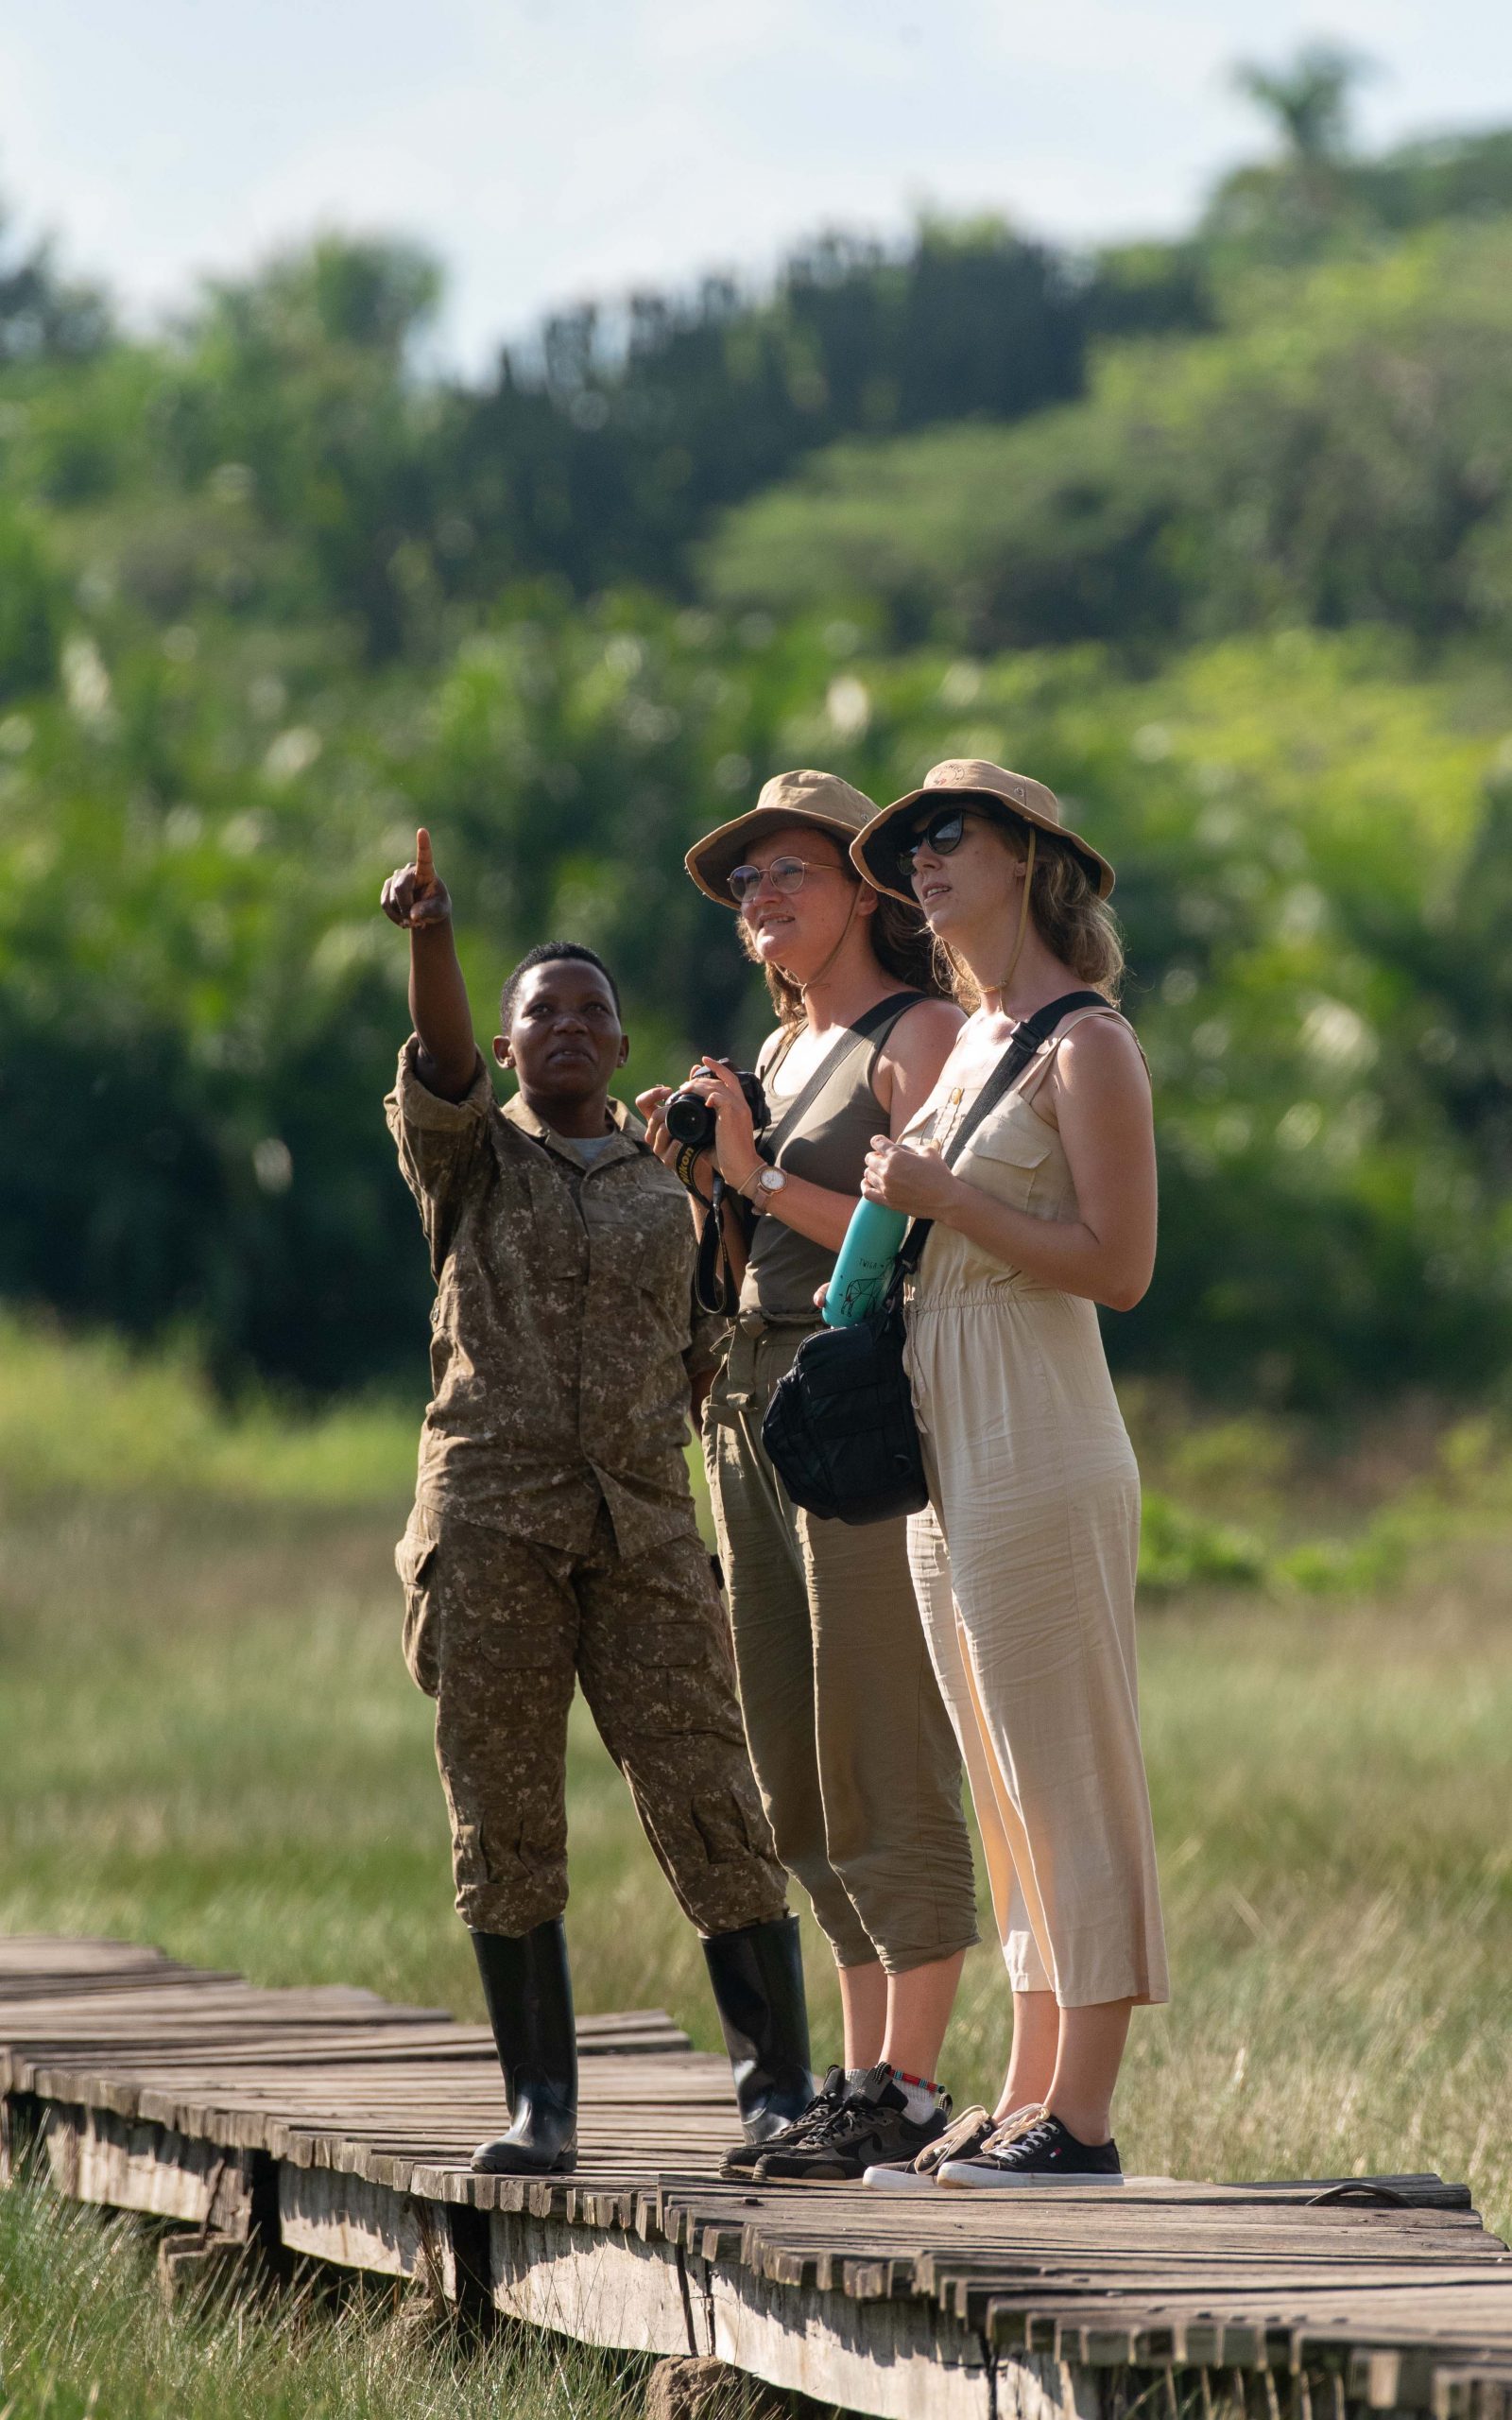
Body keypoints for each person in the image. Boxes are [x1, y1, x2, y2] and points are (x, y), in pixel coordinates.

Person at [380, 826, 810, 2179]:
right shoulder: (467, 1161)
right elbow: (438, 1059)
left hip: (643, 1529)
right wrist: (431, 938)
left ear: (623, 1050)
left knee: (708, 1790)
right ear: (509, 1052)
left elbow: (704, 1344)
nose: (566, 1027)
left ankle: (774, 2088)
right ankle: (543, 2106)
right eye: (540, 1015)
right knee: (503, 1809)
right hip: (494, 1520)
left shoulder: (658, 1189)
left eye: (590, 1013)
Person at [637, 768, 981, 2185]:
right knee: (789, 1749)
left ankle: (910, 2081)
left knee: (877, 1727)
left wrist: (760, 1177)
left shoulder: (924, 1031)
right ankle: (853, 2078)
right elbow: (750, 1259)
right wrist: (713, 1177)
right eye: (743, 885)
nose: (762, 899)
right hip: (748, 1401)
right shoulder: (778, 1058)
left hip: (854, 1408)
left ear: (867, 890)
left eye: (792, 872)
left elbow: (924, 1239)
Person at [842, 758, 1169, 2188]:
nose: (921, 858)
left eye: (948, 834)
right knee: (999, 1782)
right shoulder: (967, 1040)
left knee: (1067, 1767)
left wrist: (947, 1196)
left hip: (1041, 1428)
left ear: (1029, 858)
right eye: (910, 840)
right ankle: (1027, 2088)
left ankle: (1082, 2122)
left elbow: (1122, 1267)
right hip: (943, 1433)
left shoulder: (1085, 1044)